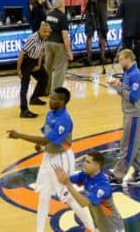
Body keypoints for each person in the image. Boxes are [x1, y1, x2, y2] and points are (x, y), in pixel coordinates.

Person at [6, 87, 94, 232]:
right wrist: (39, 143)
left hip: (61, 159)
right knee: (44, 195)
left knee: (69, 197)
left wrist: (20, 135)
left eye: (54, 99)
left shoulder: (64, 120)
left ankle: (90, 227)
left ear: (62, 101)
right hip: (49, 157)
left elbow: (46, 139)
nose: (50, 100)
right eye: (50, 97)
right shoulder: (51, 114)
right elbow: (45, 135)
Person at [106, 49, 140, 186]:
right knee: (136, 144)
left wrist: (118, 86)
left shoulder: (136, 75)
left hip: (134, 113)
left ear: (127, 59)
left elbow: (132, 96)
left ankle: (118, 176)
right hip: (129, 112)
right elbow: (126, 91)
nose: (119, 62)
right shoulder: (128, 73)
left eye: (120, 59)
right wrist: (117, 86)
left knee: (127, 145)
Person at [52, 151, 125, 232]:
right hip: (99, 226)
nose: (84, 164)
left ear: (97, 165)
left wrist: (68, 184)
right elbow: (67, 179)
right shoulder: (85, 175)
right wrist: (61, 176)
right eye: (84, 161)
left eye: (88, 162)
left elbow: (83, 203)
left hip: (114, 228)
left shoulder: (102, 185)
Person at [17, 22, 50, 118]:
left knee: (44, 78)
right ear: (40, 30)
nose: (47, 34)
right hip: (26, 62)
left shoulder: (43, 38)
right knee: (24, 86)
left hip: (34, 61)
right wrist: (18, 70)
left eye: (48, 32)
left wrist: (39, 65)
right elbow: (22, 54)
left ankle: (34, 98)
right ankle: (23, 110)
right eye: (45, 32)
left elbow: (41, 51)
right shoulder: (33, 39)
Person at [42, 0, 72, 91]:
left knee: (47, 68)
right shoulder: (62, 16)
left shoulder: (48, 14)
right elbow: (65, 36)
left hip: (48, 43)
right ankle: (56, 91)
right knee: (60, 69)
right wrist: (69, 51)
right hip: (59, 44)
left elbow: (43, 29)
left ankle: (45, 90)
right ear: (62, 5)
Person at [84, 0, 109, 66]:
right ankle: (89, 58)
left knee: (102, 35)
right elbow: (85, 1)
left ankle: (102, 56)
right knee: (89, 36)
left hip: (102, 14)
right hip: (90, 14)